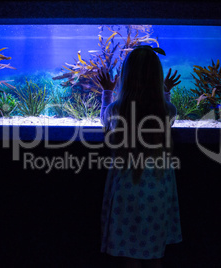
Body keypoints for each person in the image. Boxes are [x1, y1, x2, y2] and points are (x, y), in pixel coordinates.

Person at [95, 46, 182, 268]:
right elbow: (163, 114)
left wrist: (107, 91)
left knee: (129, 255)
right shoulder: (168, 110)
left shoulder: (116, 109)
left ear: (125, 76)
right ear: (158, 77)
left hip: (127, 190)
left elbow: (104, 123)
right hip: (158, 191)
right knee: (155, 256)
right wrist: (165, 92)